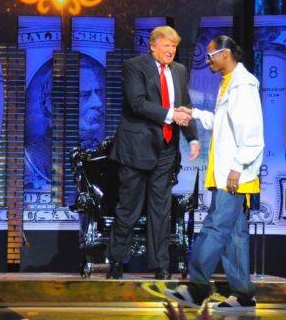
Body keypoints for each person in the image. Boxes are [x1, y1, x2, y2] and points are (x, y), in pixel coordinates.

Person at [164, 36, 264, 312]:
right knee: (234, 234)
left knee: (214, 228)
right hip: (229, 173)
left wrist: (238, 167)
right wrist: (194, 112)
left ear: (227, 53)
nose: (207, 60)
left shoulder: (243, 87)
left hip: (235, 175)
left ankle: (196, 289)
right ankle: (244, 295)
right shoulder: (229, 84)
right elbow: (221, 122)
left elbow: (253, 135)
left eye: (211, 55)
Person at [107, 26, 200, 280]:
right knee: (129, 207)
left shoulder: (179, 71)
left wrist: (192, 138)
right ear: (153, 46)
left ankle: (160, 265)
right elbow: (136, 103)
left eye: (174, 46)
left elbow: (185, 106)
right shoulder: (134, 66)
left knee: (161, 210)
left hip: (166, 150)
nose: (171, 50)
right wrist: (172, 115)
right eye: (166, 45)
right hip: (137, 149)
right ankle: (116, 261)